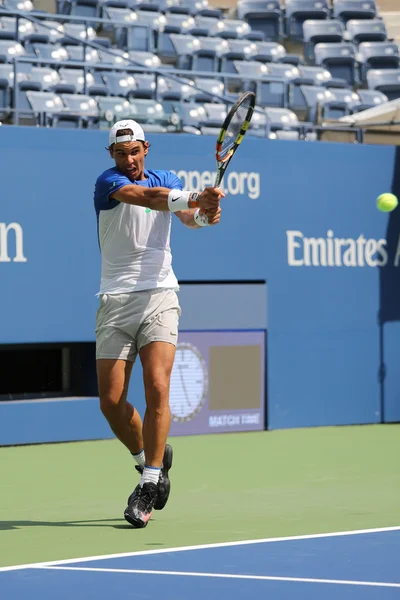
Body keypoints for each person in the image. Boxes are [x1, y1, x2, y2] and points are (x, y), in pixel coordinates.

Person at [93, 120, 223, 528]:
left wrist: (204, 213)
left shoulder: (167, 177)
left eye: (135, 151)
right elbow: (149, 199)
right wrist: (194, 197)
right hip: (115, 300)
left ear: (146, 148)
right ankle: (149, 459)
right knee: (111, 402)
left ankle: (149, 484)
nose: (129, 160)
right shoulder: (108, 183)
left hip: (160, 296)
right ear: (112, 155)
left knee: (158, 386)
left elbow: (187, 219)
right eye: (121, 153)